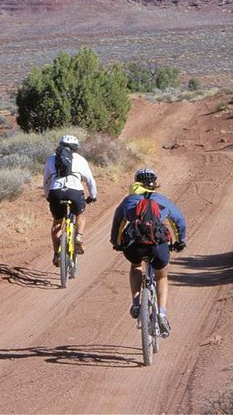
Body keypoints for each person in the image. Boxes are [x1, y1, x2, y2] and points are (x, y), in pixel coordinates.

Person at [109, 167, 187, 337]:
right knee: (161, 275)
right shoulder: (162, 200)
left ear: (136, 181)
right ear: (155, 184)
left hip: (134, 246)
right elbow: (178, 220)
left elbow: (118, 222)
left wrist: (115, 242)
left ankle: (137, 303)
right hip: (157, 246)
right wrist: (181, 242)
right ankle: (162, 313)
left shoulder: (129, 200)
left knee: (136, 265)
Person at [42, 134, 97, 267]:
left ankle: (56, 255)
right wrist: (93, 196)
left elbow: (45, 181)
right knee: (80, 214)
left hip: (56, 192)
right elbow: (90, 180)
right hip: (75, 191)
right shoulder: (80, 159)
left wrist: (48, 195)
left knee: (57, 223)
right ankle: (78, 236)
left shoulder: (51, 159)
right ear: (75, 147)